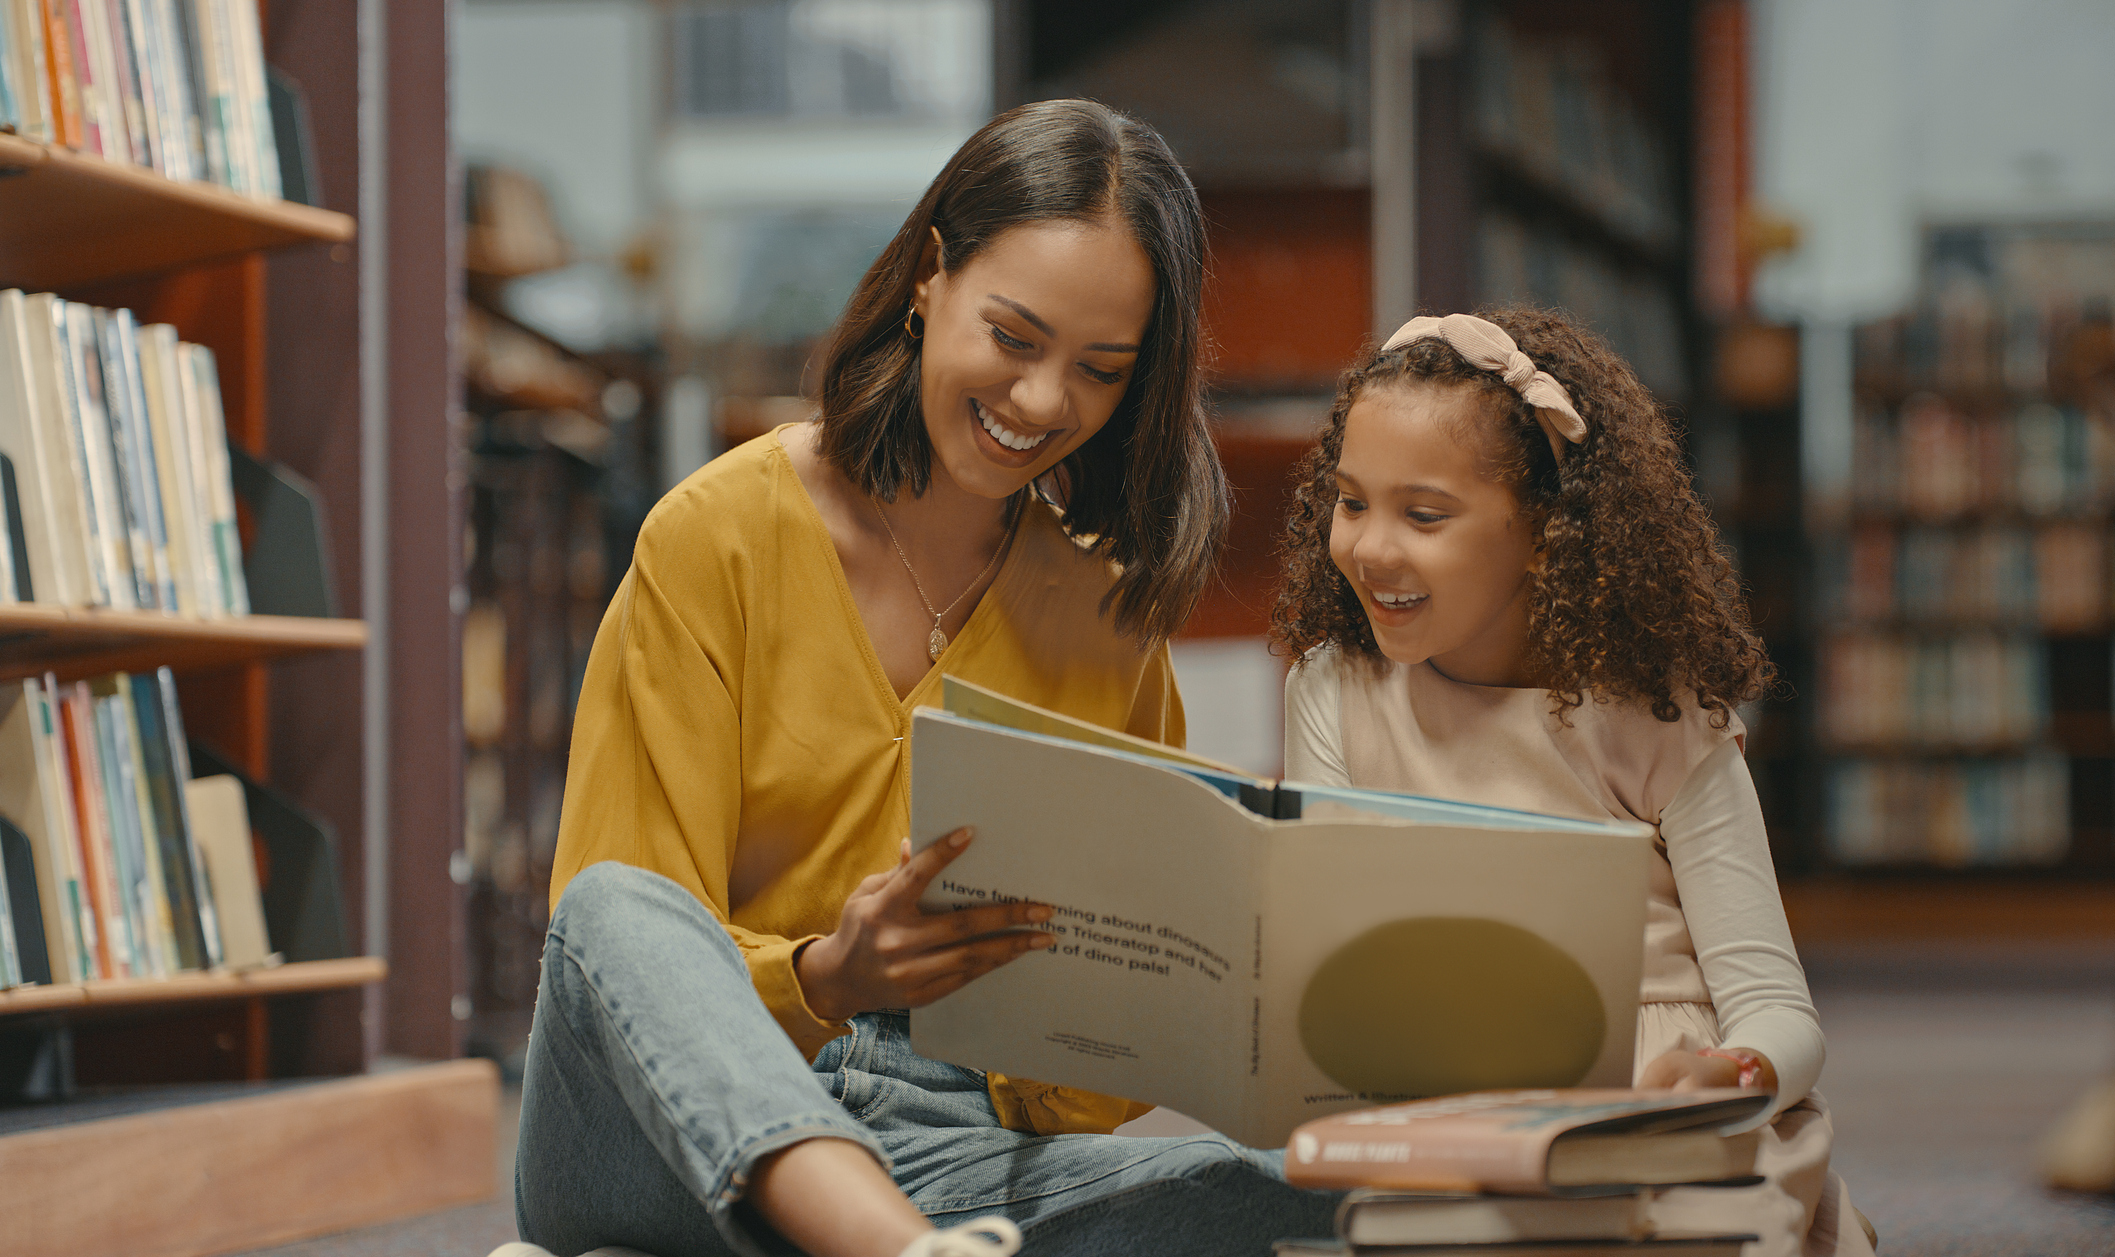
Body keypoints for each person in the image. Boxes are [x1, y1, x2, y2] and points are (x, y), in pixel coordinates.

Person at [512, 99, 1339, 1257]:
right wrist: (826, 977)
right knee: (613, 906)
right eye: (1012, 337)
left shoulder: (1107, 621)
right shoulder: (716, 536)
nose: (1044, 403)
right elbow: (617, 971)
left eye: (1100, 370)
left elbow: (1087, 1091)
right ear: (930, 275)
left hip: (953, 1152)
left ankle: (874, 1240)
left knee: (1281, 1185)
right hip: (662, 1139)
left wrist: (1153, 1015)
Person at [1270, 307, 1872, 1257]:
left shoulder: (1656, 713)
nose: (1372, 549)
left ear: (1547, 533)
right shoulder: (1333, 693)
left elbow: (1778, 1009)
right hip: (1447, 1108)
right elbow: (1334, 963)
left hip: (1658, 1113)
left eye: (1423, 514)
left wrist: (1738, 1072)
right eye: (1350, 502)